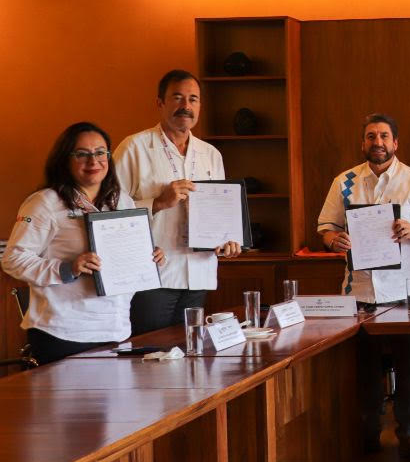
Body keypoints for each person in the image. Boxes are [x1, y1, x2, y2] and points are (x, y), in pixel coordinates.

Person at [317, 114, 410, 457]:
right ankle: (367, 434)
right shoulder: (344, 181)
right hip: (358, 293)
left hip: (406, 294)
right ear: (363, 143)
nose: (378, 142)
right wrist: (333, 240)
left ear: (395, 142)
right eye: (371, 136)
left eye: (384, 136)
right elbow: (326, 227)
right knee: (364, 369)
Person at [3, 123, 164, 365]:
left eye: (100, 152)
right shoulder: (45, 203)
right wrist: (67, 268)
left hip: (116, 329)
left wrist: (151, 256)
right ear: (65, 159)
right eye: (82, 154)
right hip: (63, 332)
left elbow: (129, 255)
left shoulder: (122, 201)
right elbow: (13, 259)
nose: (93, 161)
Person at [115, 70, 240, 334]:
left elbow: (220, 213)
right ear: (160, 103)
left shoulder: (211, 154)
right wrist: (158, 202)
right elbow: (110, 214)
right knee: (150, 349)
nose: (186, 106)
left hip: (200, 272)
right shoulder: (134, 148)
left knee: (189, 346)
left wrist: (227, 240)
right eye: (177, 98)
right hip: (153, 273)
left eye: (193, 99)